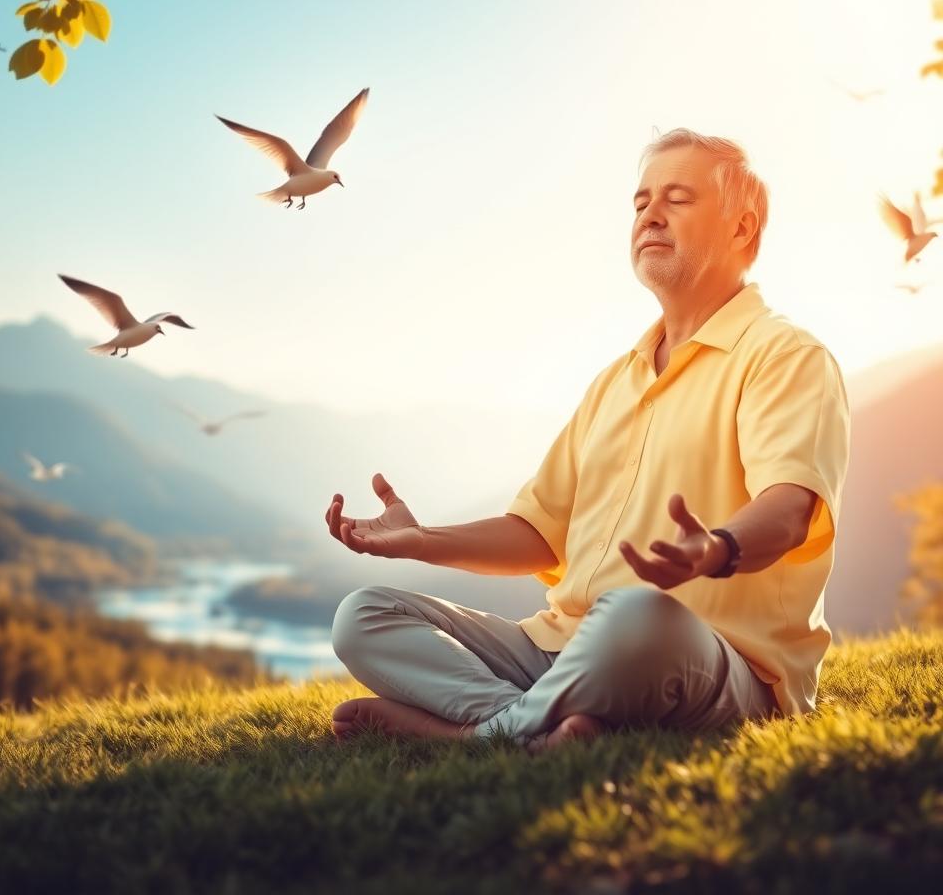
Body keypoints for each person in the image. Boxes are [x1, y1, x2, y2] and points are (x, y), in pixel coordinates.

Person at [325, 128, 851, 752]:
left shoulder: (784, 355)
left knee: (636, 614)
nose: (650, 214)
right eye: (640, 202)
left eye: (678, 198)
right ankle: (528, 723)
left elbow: (791, 510)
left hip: (706, 658)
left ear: (742, 228)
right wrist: (422, 542)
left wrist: (717, 549)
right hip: (561, 646)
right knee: (363, 616)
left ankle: (475, 735)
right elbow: (538, 532)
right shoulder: (613, 382)